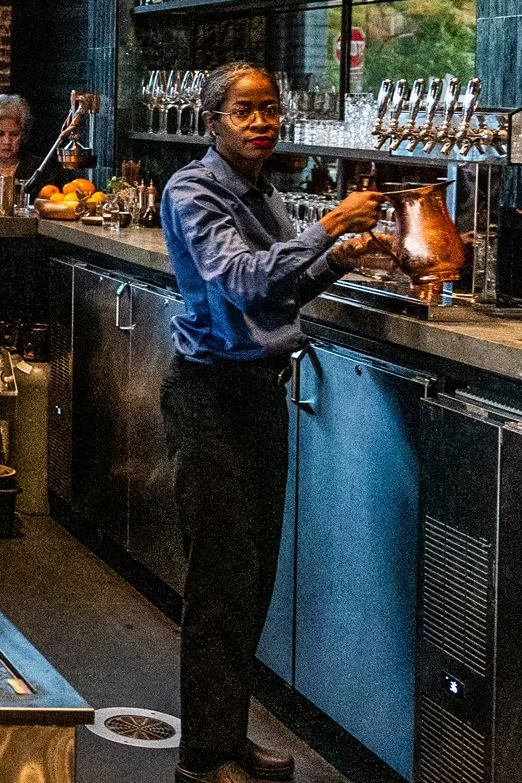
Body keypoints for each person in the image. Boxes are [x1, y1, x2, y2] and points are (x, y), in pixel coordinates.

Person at [160, 61, 383, 783]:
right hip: (209, 398)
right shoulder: (193, 189)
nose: (263, 122)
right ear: (212, 120)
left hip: (258, 395)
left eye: (270, 110)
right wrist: (329, 223)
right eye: (246, 110)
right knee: (219, 582)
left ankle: (228, 735)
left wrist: (341, 257)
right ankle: (201, 757)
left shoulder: (262, 192)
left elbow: (281, 291)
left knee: (252, 578)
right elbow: (242, 278)